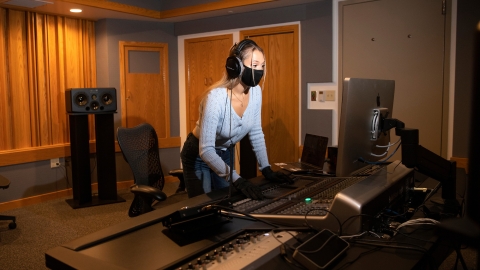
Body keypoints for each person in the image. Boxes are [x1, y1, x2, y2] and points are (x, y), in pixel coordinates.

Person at [180, 39, 292, 199]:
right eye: (254, 65)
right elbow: (206, 150)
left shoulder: (256, 92)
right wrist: (238, 180)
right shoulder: (215, 98)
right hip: (199, 155)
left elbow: (256, 132)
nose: (259, 70)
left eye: (262, 66)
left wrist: (266, 168)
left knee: (226, 201)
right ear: (236, 66)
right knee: (203, 208)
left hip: (225, 152)